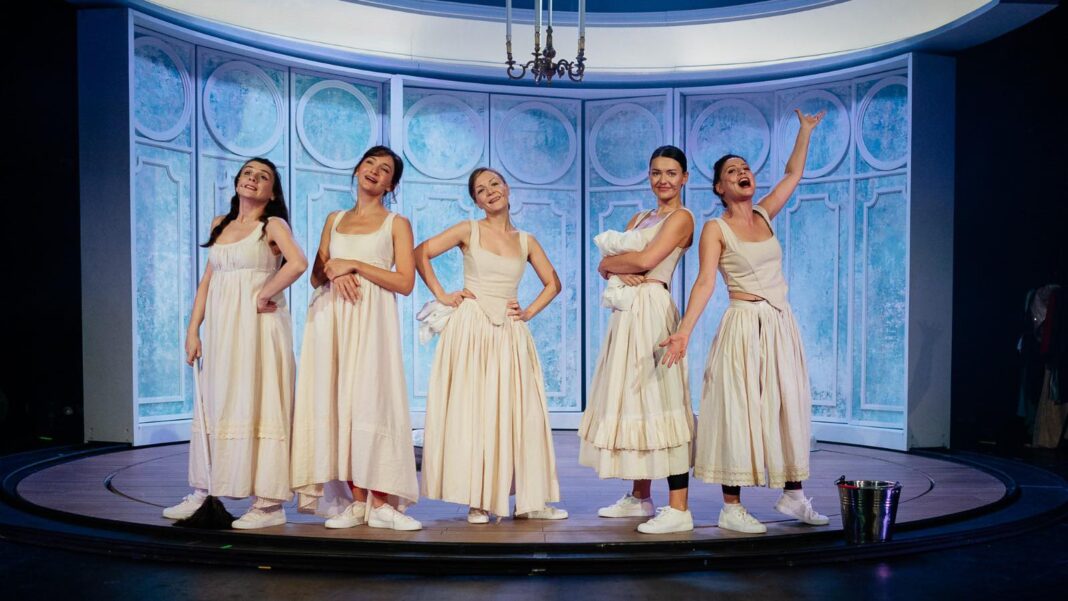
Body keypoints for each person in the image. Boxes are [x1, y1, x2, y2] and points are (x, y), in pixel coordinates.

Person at [659, 110, 830, 534]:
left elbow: (792, 174)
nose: (742, 173)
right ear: (720, 187)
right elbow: (704, 282)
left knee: (787, 404)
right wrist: (683, 332)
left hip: (779, 324)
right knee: (738, 409)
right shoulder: (715, 228)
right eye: (732, 171)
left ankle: (793, 495)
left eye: (745, 168)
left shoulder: (765, 215)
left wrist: (805, 131)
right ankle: (731, 506)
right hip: (742, 325)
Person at [415, 167, 567, 523]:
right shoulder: (468, 230)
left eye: (494, 184)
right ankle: (478, 500)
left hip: (510, 331)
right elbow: (420, 252)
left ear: (507, 188)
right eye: (481, 190)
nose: (490, 192)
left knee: (521, 412)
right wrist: (442, 294)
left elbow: (553, 283)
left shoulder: (526, 240)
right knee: (477, 410)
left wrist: (527, 312)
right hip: (472, 327)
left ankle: (530, 500)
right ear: (477, 201)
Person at [163, 157, 308, 529]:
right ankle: (205, 490)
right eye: (248, 173)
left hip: (259, 328)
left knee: (261, 400)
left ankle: (269, 504)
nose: (253, 179)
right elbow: (207, 281)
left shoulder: (272, 225)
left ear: (272, 192)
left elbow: (297, 263)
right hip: (223, 330)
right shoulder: (220, 224)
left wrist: (264, 294)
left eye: (263, 177)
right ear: (237, 181)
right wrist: (193, 330)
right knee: (217, 400)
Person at [289, 146, 422, 531]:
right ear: (358, 168)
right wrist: (334, 270)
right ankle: (357, 501)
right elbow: (316, 276)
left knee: (372, 401)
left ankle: (381, 502)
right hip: (330, 318)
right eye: (369, 163)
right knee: (338, 402)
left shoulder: (397, 223)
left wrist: (355, 265)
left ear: (391, 185)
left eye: (385, 170)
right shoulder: (334, 219)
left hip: (371, 318)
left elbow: (405, 282)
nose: (375, 171)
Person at [578, 146, 697, 534]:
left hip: (653, 309)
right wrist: (611, 267)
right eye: (656, 173)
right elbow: (619, 264)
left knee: (661, 397)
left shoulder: (682, 218)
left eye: (671, 173)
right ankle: (640, 494)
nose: (663, 180)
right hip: (627, 314)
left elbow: (646, 261)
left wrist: (607, 264)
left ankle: (678, 507)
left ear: (684, 178)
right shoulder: (640, 217)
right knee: (634, 397)